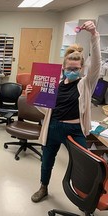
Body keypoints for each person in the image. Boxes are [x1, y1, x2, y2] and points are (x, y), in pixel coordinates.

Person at [28, 21, 101, 203]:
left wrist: (94, 36)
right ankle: (43, 187)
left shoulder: (86, 84)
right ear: (63, 68)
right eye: (69, 69)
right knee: (46, 162)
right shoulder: (56, 85)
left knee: (85, 164)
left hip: (74, 130)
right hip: (53, 127)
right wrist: (33, 96)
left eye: (76, 69)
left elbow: (97, 65)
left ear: (82, 68)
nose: (72, 71)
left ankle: (86, 196)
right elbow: (47, 110)